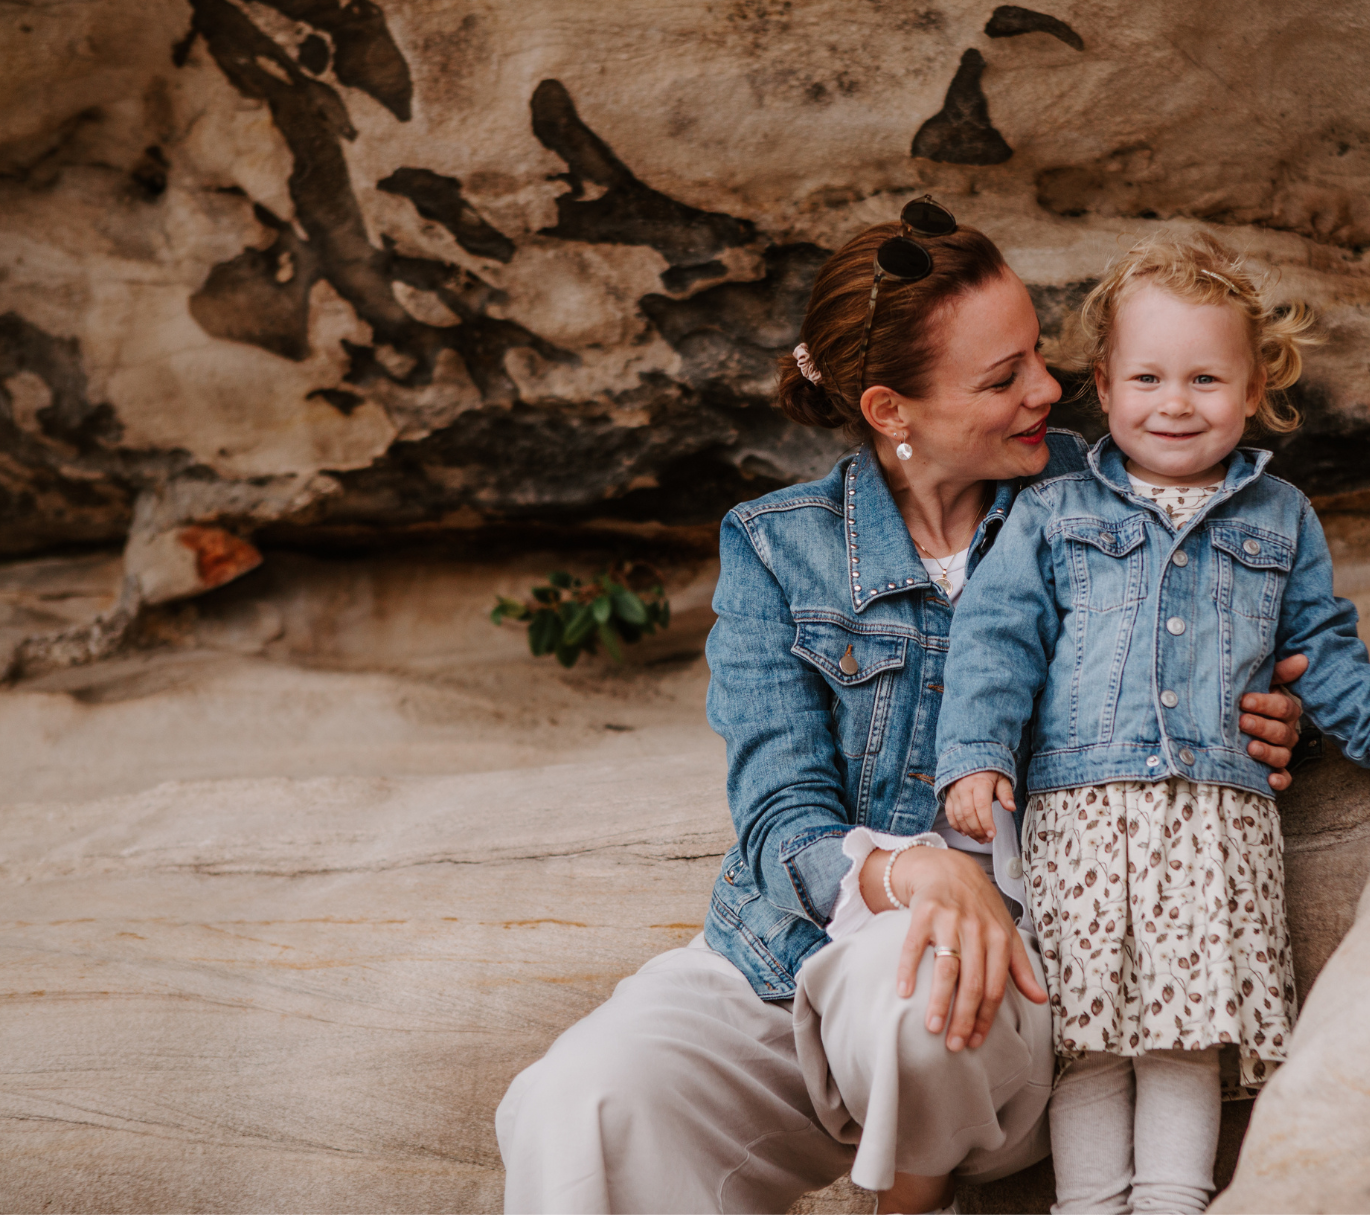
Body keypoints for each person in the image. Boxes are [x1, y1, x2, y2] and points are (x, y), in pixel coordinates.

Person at [494, 201, 1312, 1215]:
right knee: (576, 1102)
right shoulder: (774, 546)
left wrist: (1274, 714)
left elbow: (1250, 616)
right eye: (1002, 377)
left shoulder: (1116, 493)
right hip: (794, 952)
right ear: (891, 411)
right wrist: (907, 868)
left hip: (1016, 986)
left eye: (1038, 357)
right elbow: (779, 819)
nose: (1048, 391)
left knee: (911, 978)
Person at [938, 230, 1370, 1213]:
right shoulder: (1053, 513)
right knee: (1091, 1039)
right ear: (1103, 387)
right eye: (1147, 376)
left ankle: (1172, 1200)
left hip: (1214, 821)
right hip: (1082, 815)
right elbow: (995, 641)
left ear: (1251, 390)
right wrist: (977, 757)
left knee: (1183, 1037)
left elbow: (1319, 649)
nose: (1173, 402)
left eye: (1205, 378)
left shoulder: (1277, 516)